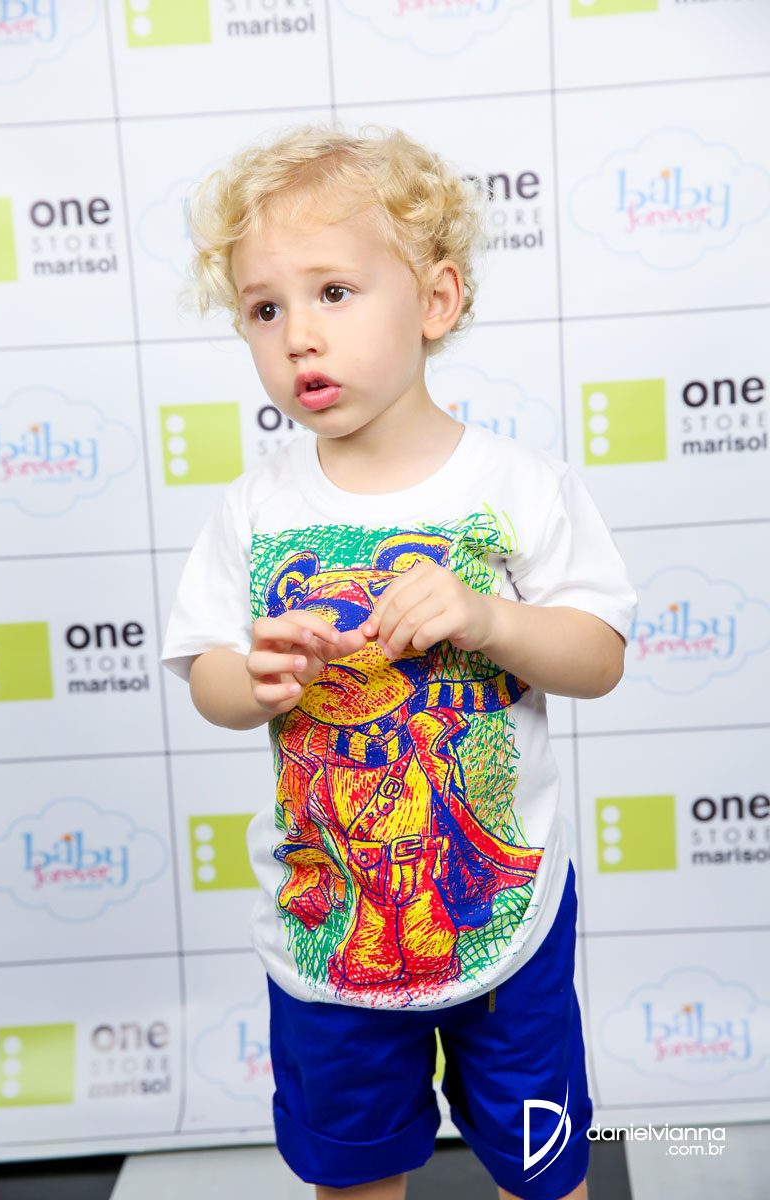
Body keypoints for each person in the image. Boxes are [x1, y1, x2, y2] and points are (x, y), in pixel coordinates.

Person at [161, 125, 637, 1200]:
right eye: (264, 309)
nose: (298, 337)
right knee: (354, 1169)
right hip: (326, 917)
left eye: (333, 292)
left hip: (501, 918)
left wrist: (489, 618)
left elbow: (598, 655)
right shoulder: (254, 508)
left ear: (435, 300)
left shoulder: (518, 485)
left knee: (542, 1165)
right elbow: (208, 679)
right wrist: (256, 677)